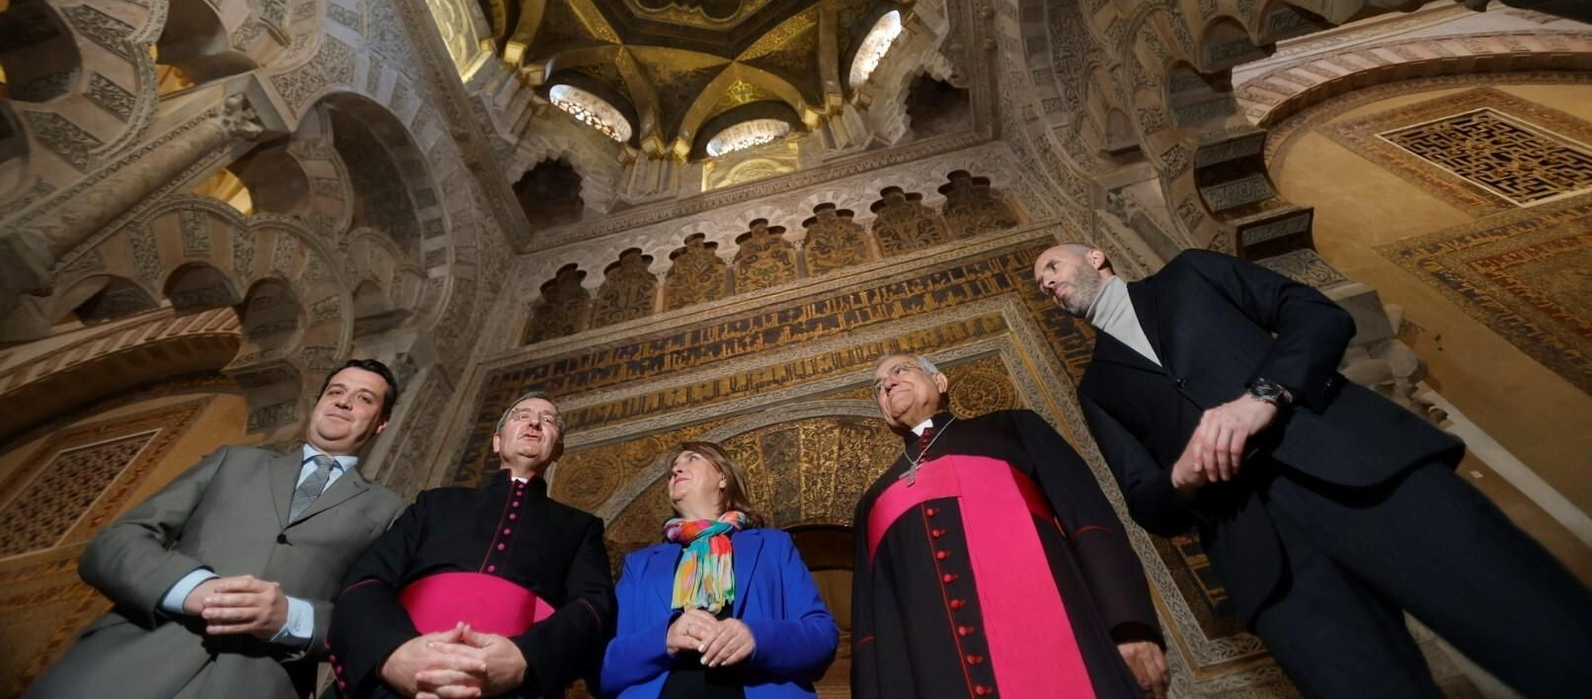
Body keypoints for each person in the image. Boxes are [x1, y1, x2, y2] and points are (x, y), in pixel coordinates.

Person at [1035, 242, 1592, 697]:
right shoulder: (1097, 388)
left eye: (1053, 266)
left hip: (1363, 474)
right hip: (1268, 560)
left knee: (1541, 632)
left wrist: (1264, 395)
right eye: (1041, 283)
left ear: (1096, 255)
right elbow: (1144, 500)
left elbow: (1316, 314)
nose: (1048, 282)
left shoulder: (1190, 272)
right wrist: (1179, 479)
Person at [28, 359, 405, 699]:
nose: (343, 402)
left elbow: (373, 615)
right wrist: (191, 588)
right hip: (131, 662)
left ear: (381, 423)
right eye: (335, 391)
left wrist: (290, 617)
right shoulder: (233, 461)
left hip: (257, 683)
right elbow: (116, 542)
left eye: (364, 398)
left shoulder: (390, 510)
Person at [851, 353, 1169, 699]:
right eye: (878, 387)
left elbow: (1089, 522)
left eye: (900, 370)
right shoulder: (872, 501)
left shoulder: (1013, 428)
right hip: (939, 676)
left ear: (939, 381)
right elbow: (871, 626)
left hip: (1060, 644)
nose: (888, 384)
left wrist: (1129, 625)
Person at [326, 390, 614, 698]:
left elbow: (593, 607)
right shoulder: (436, 504)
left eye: (548, 420)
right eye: (521, 416)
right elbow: (366, 580)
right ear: (497, 441)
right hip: (396, 679)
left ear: (558, 450)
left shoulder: (580, 527)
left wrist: (524, 658)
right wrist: (394, 654)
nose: (534, 423)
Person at [599, 440, 838, 699]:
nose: (676, 470)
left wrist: (756, 638)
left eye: (691, 459)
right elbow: (604, 666)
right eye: (672, 469)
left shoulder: (773, 546)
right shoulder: (640, 564)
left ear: (723, 477)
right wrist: (664, 638)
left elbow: (821, 637)